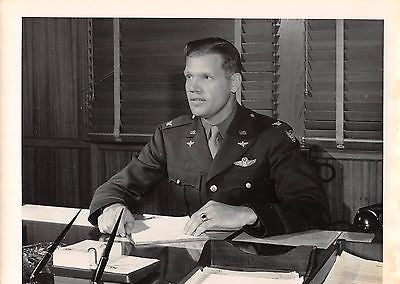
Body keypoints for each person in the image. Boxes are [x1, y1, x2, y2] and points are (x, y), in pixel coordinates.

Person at [88, 37, 330, 238]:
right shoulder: (170, 136)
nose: (193, 88)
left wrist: (247, 214)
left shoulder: (272, 136)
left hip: (255, 262)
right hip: (188, 261)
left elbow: (313, 208)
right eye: (189, 76)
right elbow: (116, 188)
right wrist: (112, 207)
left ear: (233, 83)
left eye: (206, 77)